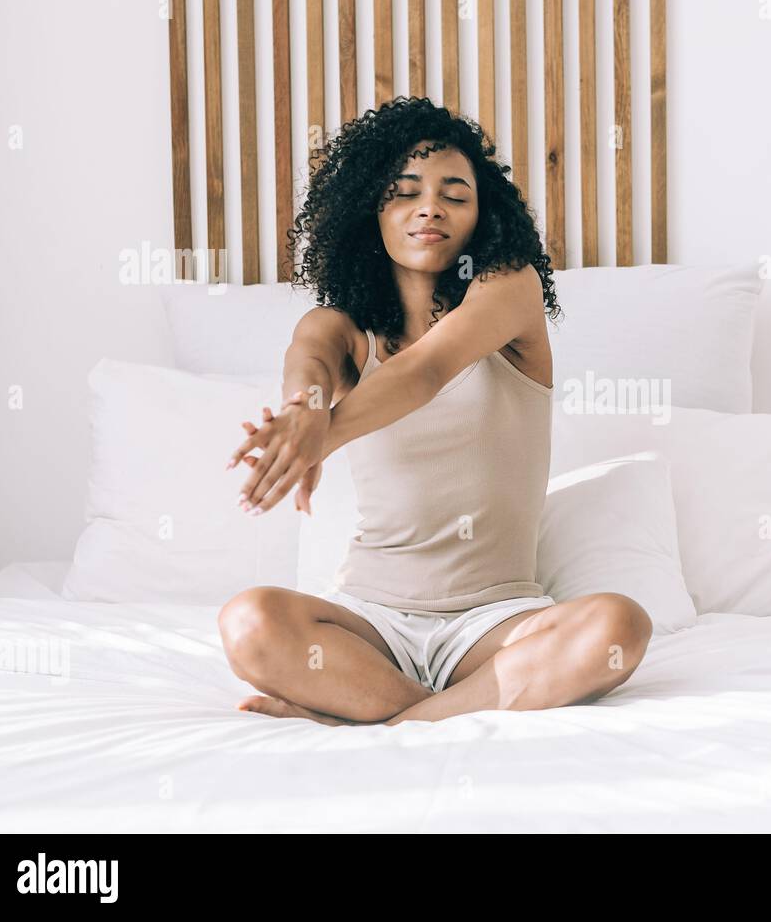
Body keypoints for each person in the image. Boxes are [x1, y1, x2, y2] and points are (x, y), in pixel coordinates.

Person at [217, 96, 652, 727]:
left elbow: (423, 371)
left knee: (618, 625)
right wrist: (303, 409)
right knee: (248, 622)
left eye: (455, 193)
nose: (431, 207)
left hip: (495, 628)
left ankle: (377, 718)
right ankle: (440, 712)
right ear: (372, 213)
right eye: (404, 192)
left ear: (482, 215)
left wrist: (322, 437)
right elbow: (308, 366)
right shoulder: (339, 327)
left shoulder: (509, 290)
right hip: (371, 625)